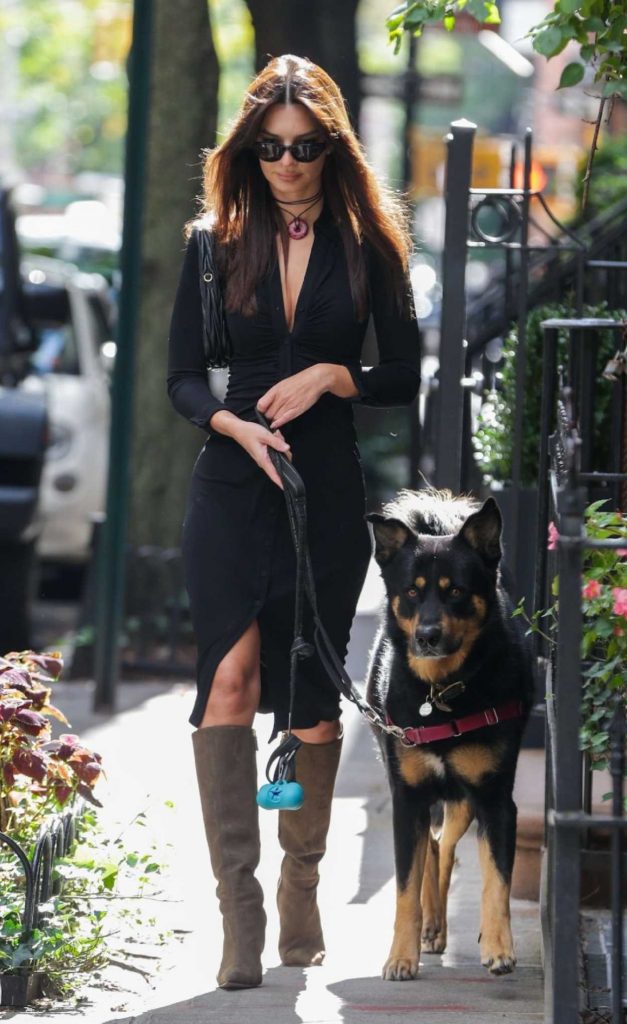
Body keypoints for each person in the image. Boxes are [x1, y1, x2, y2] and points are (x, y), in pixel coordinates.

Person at [166, 53, 420, 991]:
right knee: (227, 679)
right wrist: (232, 422)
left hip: (324, 486)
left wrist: (330, 375)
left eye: (304, 146)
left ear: (331, 146)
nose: (285, 162)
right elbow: (181, 380)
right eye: (269, 148)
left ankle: (300, 887)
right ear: (248, 148)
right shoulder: (211, 244)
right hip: (230, 488)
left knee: (312, 691)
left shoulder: (368, 249)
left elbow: (403, 377)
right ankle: (240, 917)